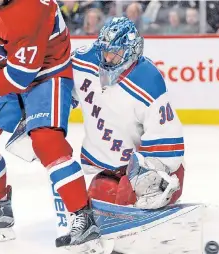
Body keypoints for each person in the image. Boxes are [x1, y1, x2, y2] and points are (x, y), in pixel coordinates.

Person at [0, 0, 102, 251]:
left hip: (48, 73)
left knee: (47, 141)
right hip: (11, 72)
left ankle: (83, 217)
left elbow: (22, 75)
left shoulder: (30, 8)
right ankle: (0, 211)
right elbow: (2, 53)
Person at [71, 17, 185, 211]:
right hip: (112, 168)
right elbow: (60, 87)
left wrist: (152, 176)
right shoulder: (84, 61)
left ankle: (154, 200)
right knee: (99, 196)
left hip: (148, 168)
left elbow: (165, 135)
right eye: (105, 52)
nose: (107, 59)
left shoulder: (148, 79)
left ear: (132, 50)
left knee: (127, 196)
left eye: (115, 54)